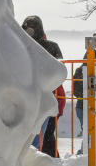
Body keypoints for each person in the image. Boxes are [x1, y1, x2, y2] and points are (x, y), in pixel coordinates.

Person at [21, 15, 65, 156]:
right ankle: (33, 161)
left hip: (29, 96)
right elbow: (59, 72)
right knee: (36, 138)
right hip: (42, 96)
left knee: (32, 137)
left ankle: (30, 162)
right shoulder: (50, 46)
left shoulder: (16, 45)